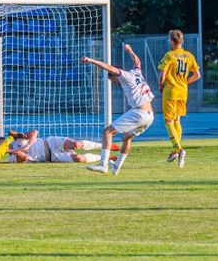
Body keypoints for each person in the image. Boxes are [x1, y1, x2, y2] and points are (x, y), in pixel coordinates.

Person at [82, 43, 155, 176]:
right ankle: (116, 167)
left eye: (113, 80)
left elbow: (109, 67)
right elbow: (137, 61)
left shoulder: (125, 76)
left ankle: (103, 165)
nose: (115, 83)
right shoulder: (136, 72)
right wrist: (130, 50)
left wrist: (91, 60)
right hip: (150, 116)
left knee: (107, 132)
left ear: (116, 76)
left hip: (139, 113)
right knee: (126, 138)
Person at [156, 29, 201, 167]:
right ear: (182, 41)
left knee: (168, 120)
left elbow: (163, 74)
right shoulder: (189, 55)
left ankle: (178, 149)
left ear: (171, 41)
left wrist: (161, 85)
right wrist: (184, 83)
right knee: (177, 120)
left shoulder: (169, 55)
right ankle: (175, 151)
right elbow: (197, 75)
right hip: (183, 92)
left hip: (171, 92)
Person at [4, 129, 113, 163]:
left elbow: (34, 132)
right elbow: (24, 157)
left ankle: (105, 146)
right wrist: (12, 151)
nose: (3, 146)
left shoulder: (18, 140)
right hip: (52, 156)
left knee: (76, 144)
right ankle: (105, 157)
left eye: (2, 144)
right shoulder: (12, 158)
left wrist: (27, 145)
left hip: (50, 142)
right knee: (79, 158)